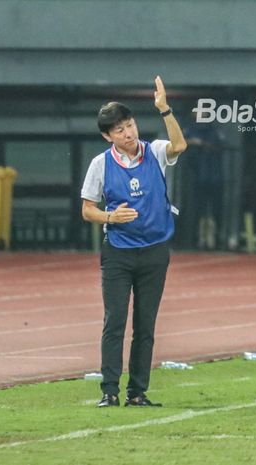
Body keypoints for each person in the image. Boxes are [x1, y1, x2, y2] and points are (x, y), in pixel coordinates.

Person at [81, 76, 187, 408]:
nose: (129, 133)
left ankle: (137, 392)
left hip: (155, 250)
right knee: (114, 322)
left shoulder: (154, 152)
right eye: (120, 130)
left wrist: (165, 109)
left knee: (145, 325)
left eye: (130, 125)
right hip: (118, 253)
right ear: (107, 136)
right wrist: (111, 218)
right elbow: (87, 209)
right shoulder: (100, 164)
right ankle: (109, 391)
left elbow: (179, 145)